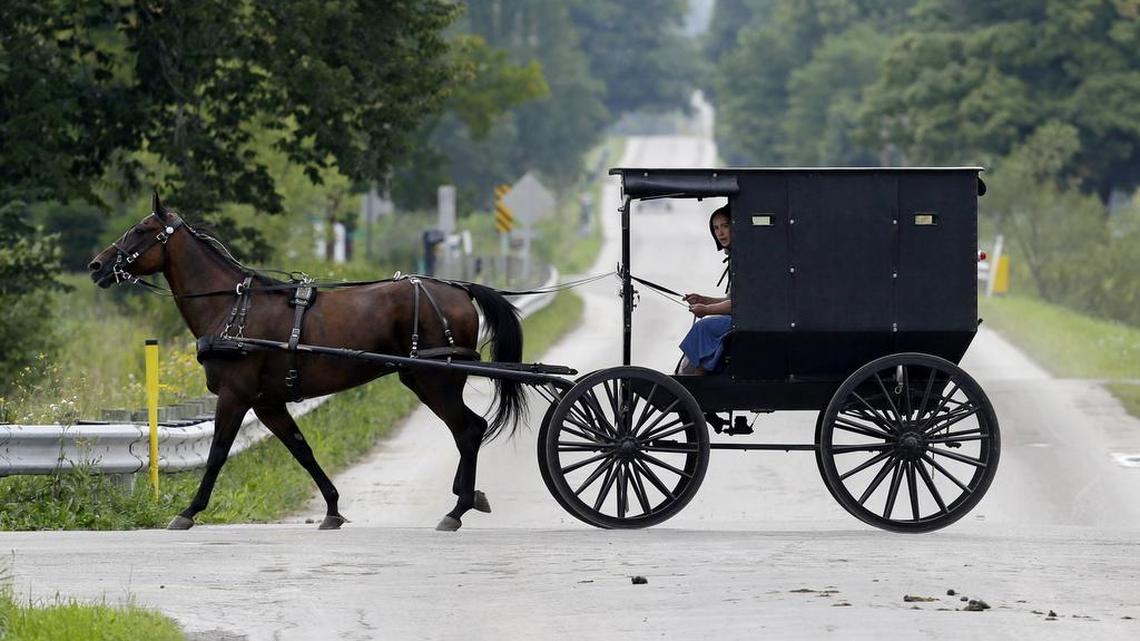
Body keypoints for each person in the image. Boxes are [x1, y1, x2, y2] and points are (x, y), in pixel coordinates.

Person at [677, 205, 732, 375]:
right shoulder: (736, 256)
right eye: (716, 228)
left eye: (725, 226)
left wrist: (707, 310)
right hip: (740, 319)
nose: (720, 233)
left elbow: (740, 304)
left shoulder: (745, 257)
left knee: (704, 327)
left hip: (748, 323)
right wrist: (704, 300)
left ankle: (693, 382)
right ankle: (688, 376)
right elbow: (731, 300)